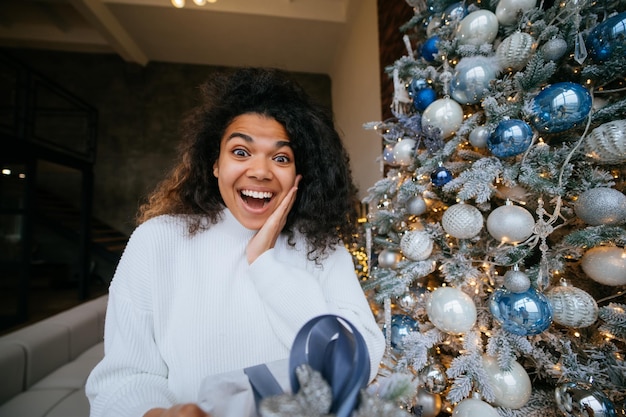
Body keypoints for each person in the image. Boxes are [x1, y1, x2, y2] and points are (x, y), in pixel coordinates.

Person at [85, 67, 386, 417]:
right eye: (241, 152)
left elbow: (361, 360)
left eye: (281, 157)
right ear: (215, 164)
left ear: (299, 175)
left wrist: (264, 263)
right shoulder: (157, 240)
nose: (260, 171)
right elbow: (123, 377)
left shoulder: (322, 247)